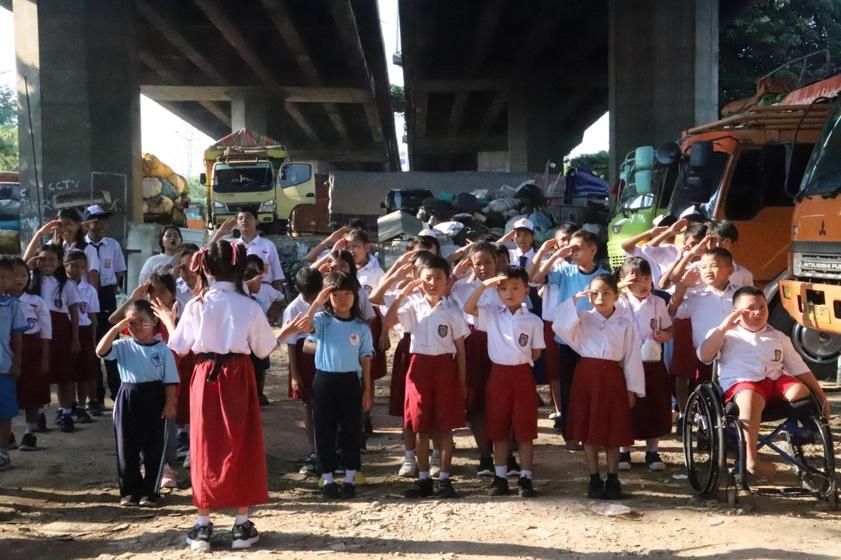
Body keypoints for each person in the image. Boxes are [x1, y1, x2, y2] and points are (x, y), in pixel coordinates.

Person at [162, 240, 278, 552]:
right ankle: (241, 524)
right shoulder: (249, 305)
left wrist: (167, 320)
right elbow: (264, 348)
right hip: (238, 375)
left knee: (204, 443)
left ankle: (202, 525)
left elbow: (179, 346)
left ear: (206, 268)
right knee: (241, 442)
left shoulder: (197, 305)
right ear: (241, 268)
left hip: (204, 375)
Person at [698, 286, 830, 477]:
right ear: (736, 312)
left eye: (762, 306)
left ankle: (797, 433)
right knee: (751, 397)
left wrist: (821, 397)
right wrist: (724, 327)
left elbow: (801, 369)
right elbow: (705, 356)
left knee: (800, 391)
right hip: (742, 383)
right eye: (751, 308)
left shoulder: (778, 336)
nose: (759, 312)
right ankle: (750, 459)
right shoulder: (725, 335)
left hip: (774, 381)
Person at [550, 274, 645, 500]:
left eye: (606, 293)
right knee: (589, 430)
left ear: (616, 296)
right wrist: (574, 299)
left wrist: (632, 388)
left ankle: (613, 478)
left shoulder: (625, 324)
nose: (600, 298)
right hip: (587, 377)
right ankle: (594, 477)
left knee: (612, 431)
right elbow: (559, 326)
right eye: (594, 293)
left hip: (613, 378)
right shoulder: (582, 319)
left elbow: (631, 357)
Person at [384, 254, 469, 499]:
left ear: (447, 280)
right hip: (419, 367)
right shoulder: (411, 305)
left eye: (439, 277)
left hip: (444, 368)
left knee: (444, 427)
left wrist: (462, 381)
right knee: (420, 426)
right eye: (427, 278)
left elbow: (461, 349)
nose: (433, 282)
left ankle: (444, 478)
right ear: (419, 280)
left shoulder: (452, 311)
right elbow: (388, 322)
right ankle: (423, 479)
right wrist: (402, 294)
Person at [463, 265, 545, 497]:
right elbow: (468, 307)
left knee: (525, 429)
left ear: (526, 291)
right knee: (498, 427)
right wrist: (484, 285)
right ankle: (500, 477)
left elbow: (536, 352)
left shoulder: (533, 321)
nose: (509, 293)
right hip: (498, 374)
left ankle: (526, 478)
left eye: (515, 288)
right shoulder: (491, 313)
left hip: (522, 375)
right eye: (503, 288)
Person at [96, 299, 178, 506]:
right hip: (128, 396)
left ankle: (151, 491)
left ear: (154, 322)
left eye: (143, 321)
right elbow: (100, 351)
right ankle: (130, 491)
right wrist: (117, 327)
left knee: (154, 446)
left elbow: (170, 381)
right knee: (127, 446)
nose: (137, 326)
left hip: (154, 396)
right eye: (132, 322)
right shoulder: (122, 345)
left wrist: (169, 405)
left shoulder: (162, 349)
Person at [301, 272, 374, 499]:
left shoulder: (361, 327)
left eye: (347, 293)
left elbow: (366, 359)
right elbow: (305, 327)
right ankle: (328, 479)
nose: (342, 299)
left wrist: (368, 389)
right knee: (324, 430)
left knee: (351, 431)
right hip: (324, 381)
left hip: (350, 381)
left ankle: (350, 479)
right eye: (336, 294)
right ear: (328, 296)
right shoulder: (323, 320)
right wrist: (316, 303)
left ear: (355, 296)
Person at [532, 229, 609, 443]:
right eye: (571, 248)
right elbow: (535, 277)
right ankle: (571, 434)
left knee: (591, 389)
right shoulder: (565, 272)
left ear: (593, 250)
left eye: (578, 248)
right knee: (568, 388)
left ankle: (593, 432)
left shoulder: (603, 276)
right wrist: (556, 255)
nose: (573, 252)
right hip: (566, 339)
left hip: (592, 340)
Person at [615, 258, 673, 471]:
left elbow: (669, 328)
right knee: (626, 405)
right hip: (625, 360)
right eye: (636, 279)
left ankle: (652, 451)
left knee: (653, 405)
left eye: (647, 279)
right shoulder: (618, 301)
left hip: (651, 360)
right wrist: (619, 286)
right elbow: (598, 296)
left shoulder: (657, 302)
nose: (643, 284)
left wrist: (664, 335)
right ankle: (623, 452)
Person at [449, 241, 501, 477]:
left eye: (488, 262)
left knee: (500, 402)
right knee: (477, 402)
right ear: (470, 264)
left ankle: (505, 455)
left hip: (502, 345)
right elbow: (440, 295)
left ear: (496, 261)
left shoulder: (506, 285)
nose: (483, 267)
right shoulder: (460, 288)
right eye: (477, 263)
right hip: (473, 346)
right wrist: (453, 276)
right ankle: (485, 455)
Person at [27, 243, 81, 433]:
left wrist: (75, 338)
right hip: (38, 331)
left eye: (52, 259)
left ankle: (65, 413)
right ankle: (39, 414)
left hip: (61, 330)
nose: (47, 263)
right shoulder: (30, 282)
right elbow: (18, 269)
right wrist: (30, 265)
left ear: (59, 262)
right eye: (42, 259)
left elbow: (74, 311)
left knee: (64, 374)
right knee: (41, 373)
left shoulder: (67, 284)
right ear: (36, 260)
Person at [669, 248, 739, 390]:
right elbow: (671, 310)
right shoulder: (696, 298)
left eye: (714, 266)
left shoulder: (741, 294)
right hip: (707, 358)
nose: (708, 271)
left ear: (730, 269)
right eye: (703, 267)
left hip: (737, 355)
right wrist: (682, 286)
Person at [84, 204, 126, 415]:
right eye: (96, 219)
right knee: (92, 345)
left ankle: (117, 393)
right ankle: (95, 396)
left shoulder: (112, 245)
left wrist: (108, 289)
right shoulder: (81, 246)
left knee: (111, 343)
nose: (100, 224)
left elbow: (118, 272)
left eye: (103, 219)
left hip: (107, 294)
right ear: (87, 223)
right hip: (87, 294)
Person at [282, 267, 323, 476]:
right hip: (303, 358)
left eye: (314, 293)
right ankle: (315, 449)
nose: (311, 298)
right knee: (309, 405)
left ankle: (332, 447)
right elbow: (290, 344)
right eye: (308, 294)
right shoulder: (292, 309)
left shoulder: (326, 301)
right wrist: (295, 375)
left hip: (325, 354)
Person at [11, 257, 51, 451]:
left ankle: (29, 433)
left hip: (32, 349)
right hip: (6, 349)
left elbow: (46, 332)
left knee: (31, 394)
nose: (19, 279)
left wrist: (45, 357)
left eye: (23, 274)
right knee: (8, 393)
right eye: (14, 275)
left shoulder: (36, 302)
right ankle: (7, 434)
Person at [210, 206, 285, 291]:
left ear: (256, 221)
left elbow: (277, 277)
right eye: (240, 218)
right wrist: (220, 233)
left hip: (263, 291)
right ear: (236, 223)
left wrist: (277, 296)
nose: (244, 221)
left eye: (248, 217)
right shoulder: (232, 246)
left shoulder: (268, 245)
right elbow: (207, 254)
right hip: (238, 292)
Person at [64, 249, 100, 425]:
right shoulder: (61, 285)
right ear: (65, 265)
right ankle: (67, 407)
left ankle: (82, 405)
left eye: (81, 266)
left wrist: (93, 341)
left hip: (84, 330)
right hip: (66, 329)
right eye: (73, 265)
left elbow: (93, 317)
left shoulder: (89, 290)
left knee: (85, 371)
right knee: (68, 372)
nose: (78, 269)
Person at [0, 258, 29, 469]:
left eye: (4, 277)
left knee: (4, 413)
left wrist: (18, 363)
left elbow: (17, 337)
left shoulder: (13, 306)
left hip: (4, 366)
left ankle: (2, 451)